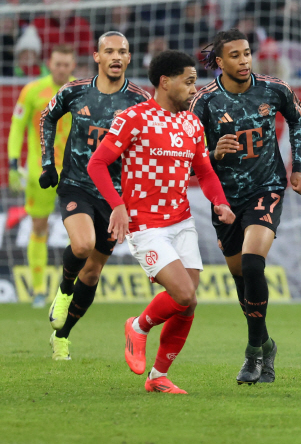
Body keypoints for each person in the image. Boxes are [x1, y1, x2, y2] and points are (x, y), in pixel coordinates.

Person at [87, 50, 234, 394]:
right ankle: (138, 326)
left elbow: (205, 172)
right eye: (188, 81)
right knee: (182, 293)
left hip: (182, 222)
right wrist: (117, 205)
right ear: (165, 82)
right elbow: (97, 163)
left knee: (189, 301)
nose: (193, 89)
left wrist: (221, 202)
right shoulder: (133, 118)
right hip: (146, 225)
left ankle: (158, 377)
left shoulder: (192, 124)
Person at [190, 29, 301, 385]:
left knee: (253, 262)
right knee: (241, 277)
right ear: (219, 62)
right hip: (224, 199)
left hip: (266, 188)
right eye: (235, 56)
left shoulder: (274, 89)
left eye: (246, 53)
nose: (244, 61)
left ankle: (253, 353)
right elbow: (188, 153)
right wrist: (213, 153)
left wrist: (298, 167)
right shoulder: (204, 101)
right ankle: (267, 344)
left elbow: (298, 119)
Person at [39, 31, 151, 361]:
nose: (116, 56)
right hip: (77, 184)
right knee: (82, 245)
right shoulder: (74, 91)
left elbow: (150, 144)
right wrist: (48, 163)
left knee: (92, 272)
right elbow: (47, 117)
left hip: (115, 197)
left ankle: (62, 336)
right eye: (109, 51)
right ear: (97, 57)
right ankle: (64, 289)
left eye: (122, 52)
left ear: (128, 58)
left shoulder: (140, 101)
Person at [7, 44, 76, 308]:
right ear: (49, 64)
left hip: (73, 171)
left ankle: (71, 288)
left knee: (80, 230)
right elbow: (17, 128)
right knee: (39, 227)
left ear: (72, 66)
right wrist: (14, 163)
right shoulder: (32, 90)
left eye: (66, 64)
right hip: (41, 171)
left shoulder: (81, 90)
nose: (61, 69)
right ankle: (38, 291)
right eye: (57, 64)